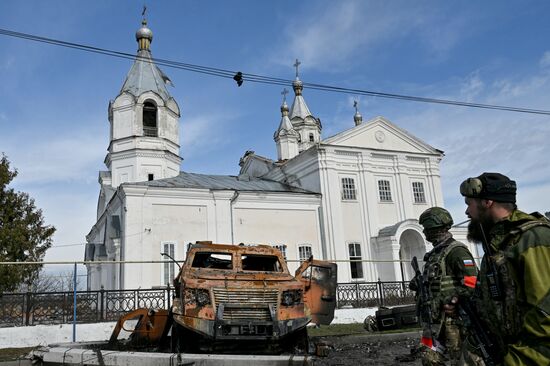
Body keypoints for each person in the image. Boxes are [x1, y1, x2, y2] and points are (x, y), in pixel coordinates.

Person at [459, 172, 550, 365]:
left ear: (487, 202)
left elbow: (545, 315)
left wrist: (514, 360)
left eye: (469, 204)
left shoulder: (533, 239)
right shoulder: (498, 245)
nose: (467, 212)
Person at [411, 207, 478, 366]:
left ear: (434, 228)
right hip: (434, 321)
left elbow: (472, 281)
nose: (425, 232)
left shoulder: (456, 252)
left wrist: (455, 299)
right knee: (428, 358)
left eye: (426, 228)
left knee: (459, 360)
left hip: (452, 322)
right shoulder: (435, 254)